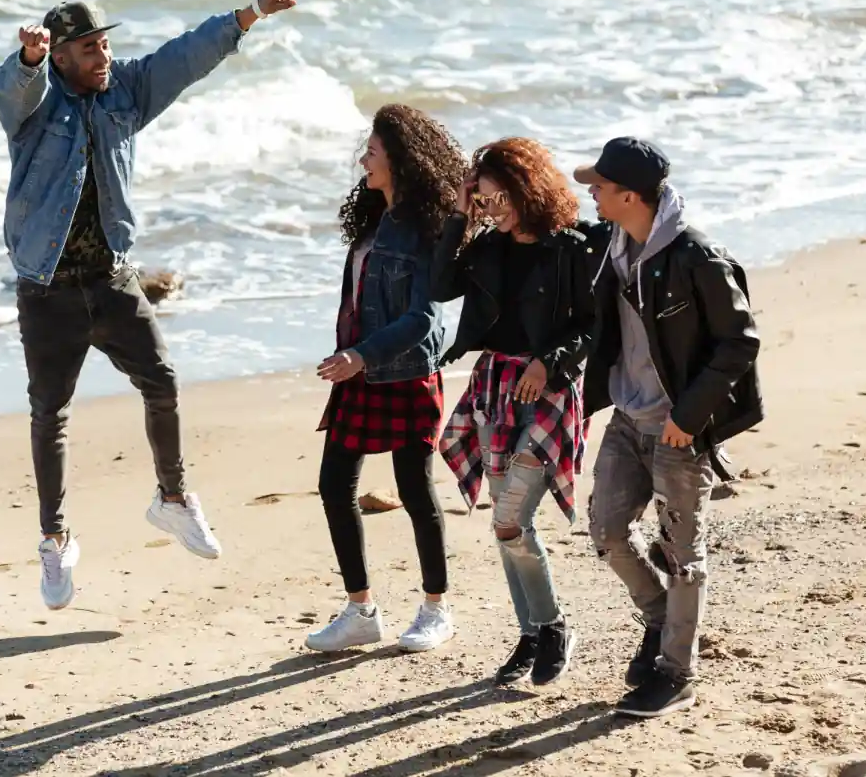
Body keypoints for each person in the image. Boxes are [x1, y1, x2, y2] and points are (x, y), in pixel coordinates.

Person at [0, 0, 298, 610]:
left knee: (161, 380)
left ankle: (174, 499)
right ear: (62, 56)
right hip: (46, 289)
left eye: (106, 43)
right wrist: (26, 60)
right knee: (50, 412)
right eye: (90, 48)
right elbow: (12, 90)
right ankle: (54, 540)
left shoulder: (125, 90)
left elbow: (185, 56)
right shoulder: (37, 104)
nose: (104, 55)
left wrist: (251, 14)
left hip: (111, 278)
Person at [576, 137, 762, 718]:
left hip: (678, 428)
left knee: (684, 553)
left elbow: (740, 341)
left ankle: (678, 674)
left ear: (630, 195)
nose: (592, 193)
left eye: (601, 186)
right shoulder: (615, 244)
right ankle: (661, 622)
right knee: (606, 531)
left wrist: (690, 415)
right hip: (630, 417)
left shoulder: (697, 258)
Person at [432, 137, 596, 686]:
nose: (494, 209)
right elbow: (437, 284)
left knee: (509, 520)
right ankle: (531, 636)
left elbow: (595, 326)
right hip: (494, 388)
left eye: (501, 198)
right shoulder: (485, 247)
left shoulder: (570, 248)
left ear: (527, 188)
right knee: (508, 525)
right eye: (485, 200)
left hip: (546, 391)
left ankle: (552, 627)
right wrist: (460, 215)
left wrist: (550, 362)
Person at [306, 105, 468, 654]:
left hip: (401, 370)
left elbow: (425, 318)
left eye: (372, 153)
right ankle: (360, 611)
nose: (363, 161)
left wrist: (362, 356)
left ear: (398, 159)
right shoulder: (375, 218)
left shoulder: (425, 229)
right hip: (358, 366)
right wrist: (350, 357)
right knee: (334, 485)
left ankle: (435, 608)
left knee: (415, 491)